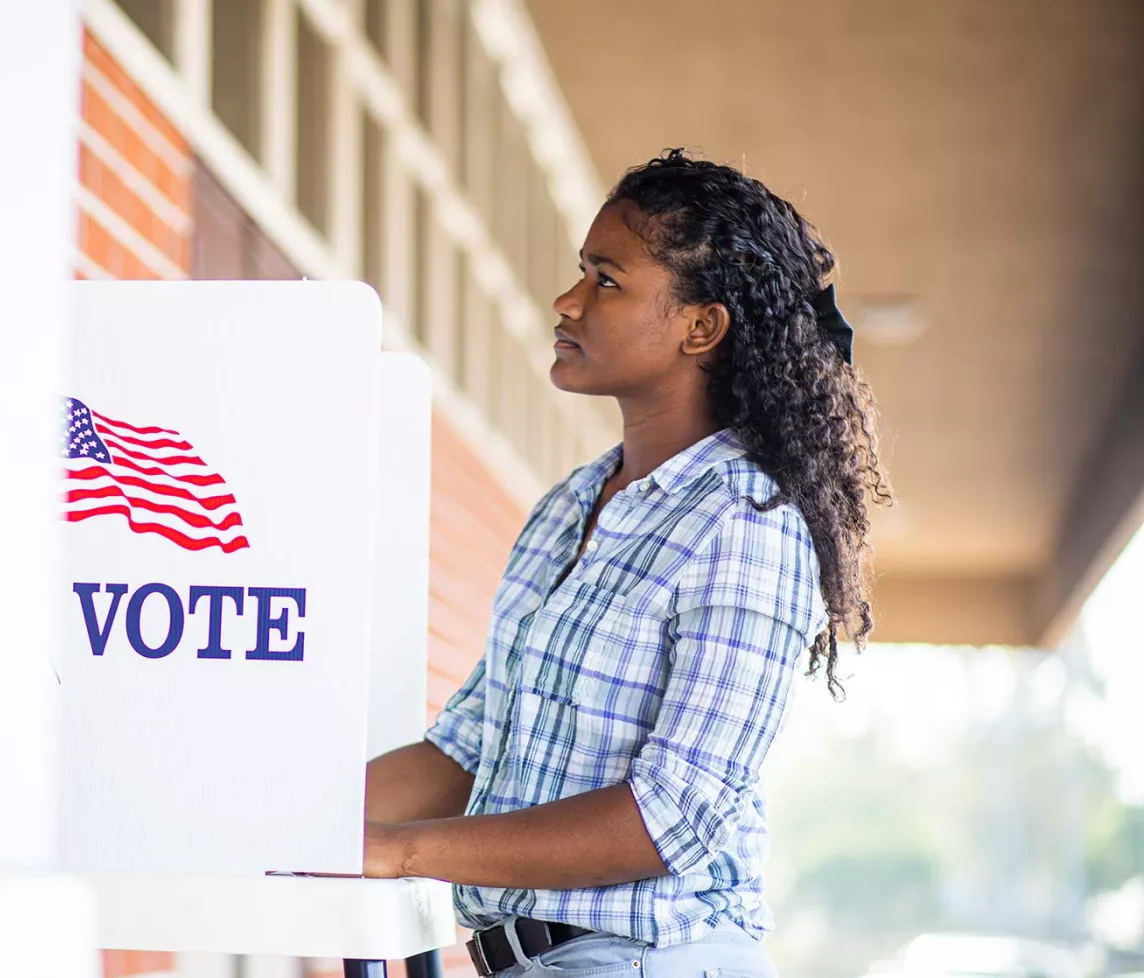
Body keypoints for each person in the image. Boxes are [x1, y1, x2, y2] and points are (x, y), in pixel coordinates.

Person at [360, 149, 891, 977]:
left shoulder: (747, 522)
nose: (567, 302)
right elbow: (465, 752)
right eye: (581, 272)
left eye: (607, 281)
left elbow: (669, 816)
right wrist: (286, 822)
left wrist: (399, 853)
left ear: (700, 326)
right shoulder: (568, 507)